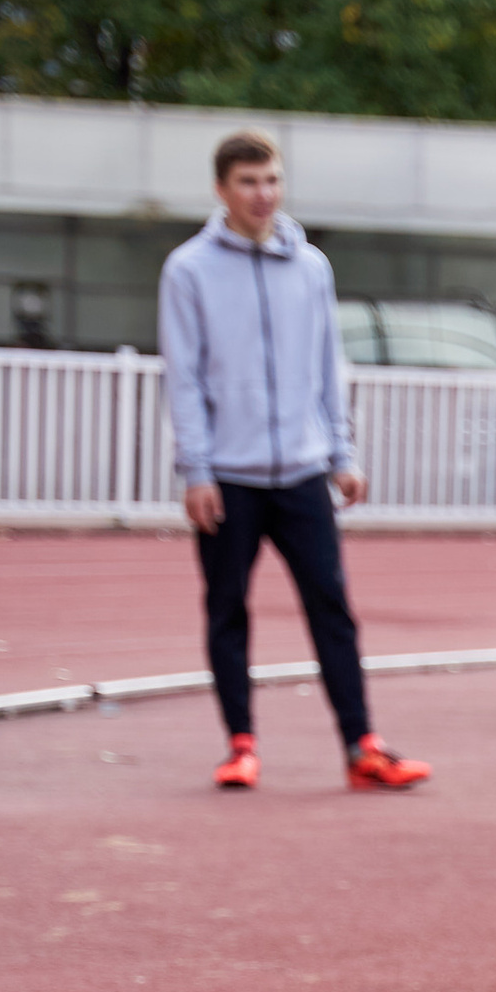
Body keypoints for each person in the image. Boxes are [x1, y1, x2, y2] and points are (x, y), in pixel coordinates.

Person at [157, 131, 428, 794]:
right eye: (249, 182)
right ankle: (240, 745)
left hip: (303, 471)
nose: (263, 194)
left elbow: (325, 367)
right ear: (222, 189)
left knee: (331, 606)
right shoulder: (188, 270)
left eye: (272, 180)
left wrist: (342, 453)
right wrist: (196, 469)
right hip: (229, 475)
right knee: (227, 610)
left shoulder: (310, 268)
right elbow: (184, 377)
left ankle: (362, 744)